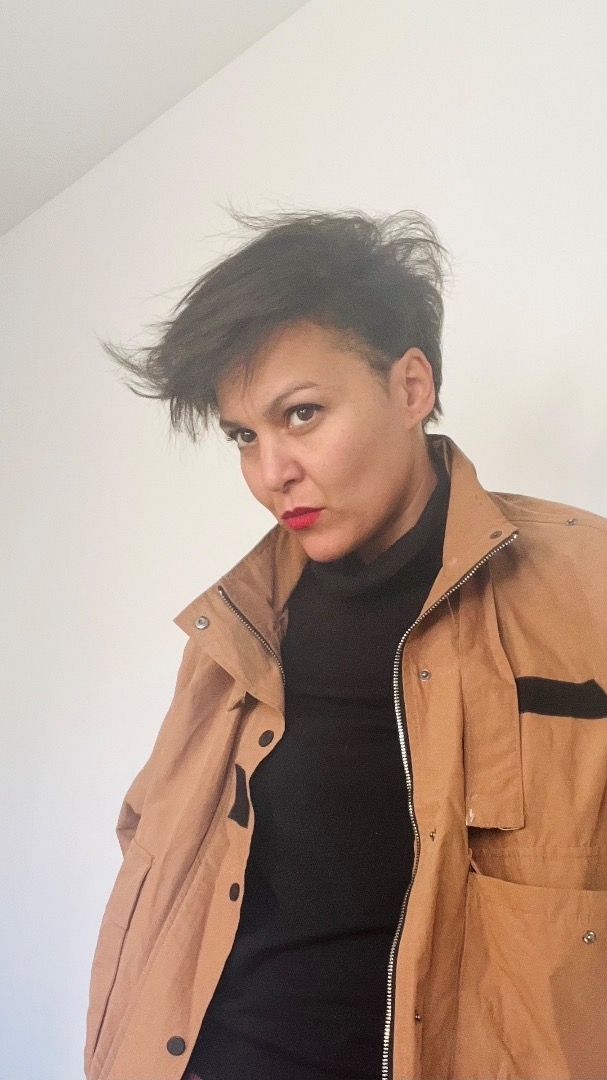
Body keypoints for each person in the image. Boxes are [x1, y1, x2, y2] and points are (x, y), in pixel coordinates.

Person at [85, 211, 607, 1080]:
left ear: (410, 388)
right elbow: (154, 834)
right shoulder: (238, 623)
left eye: (301, 414)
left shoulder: (584, 579)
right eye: (244, 436)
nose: (270, 473)